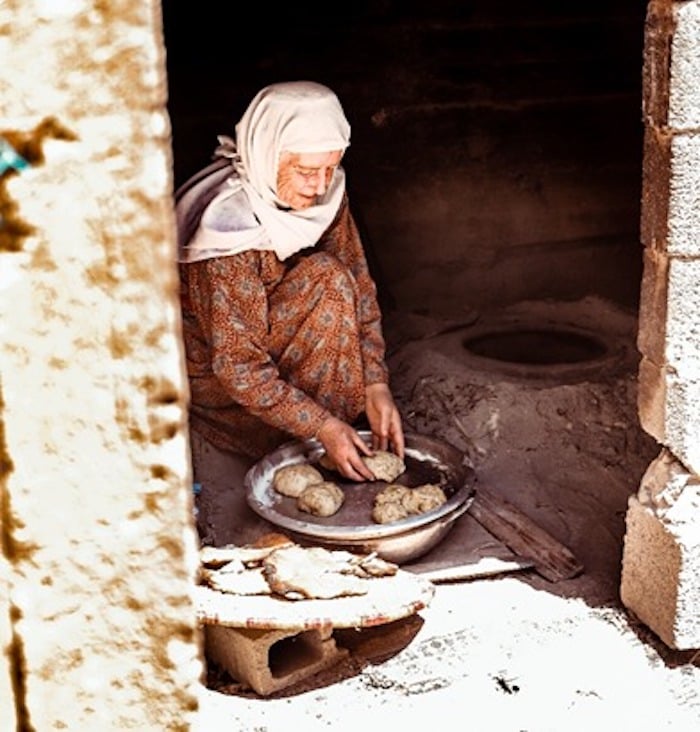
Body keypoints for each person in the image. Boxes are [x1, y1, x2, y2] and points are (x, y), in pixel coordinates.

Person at [176, 80, 404, 539]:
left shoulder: (324, 193)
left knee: (332, 280)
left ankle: (333, 438)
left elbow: (358, 284)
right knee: (324, 282)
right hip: (228, 392)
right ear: (266, 153)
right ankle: (309, 442)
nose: (320, 187)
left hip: (285, 334)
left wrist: (376, 383)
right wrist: (322, 424)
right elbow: (238, 367)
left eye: (331, 167)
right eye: (304, 171)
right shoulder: (226, 229)